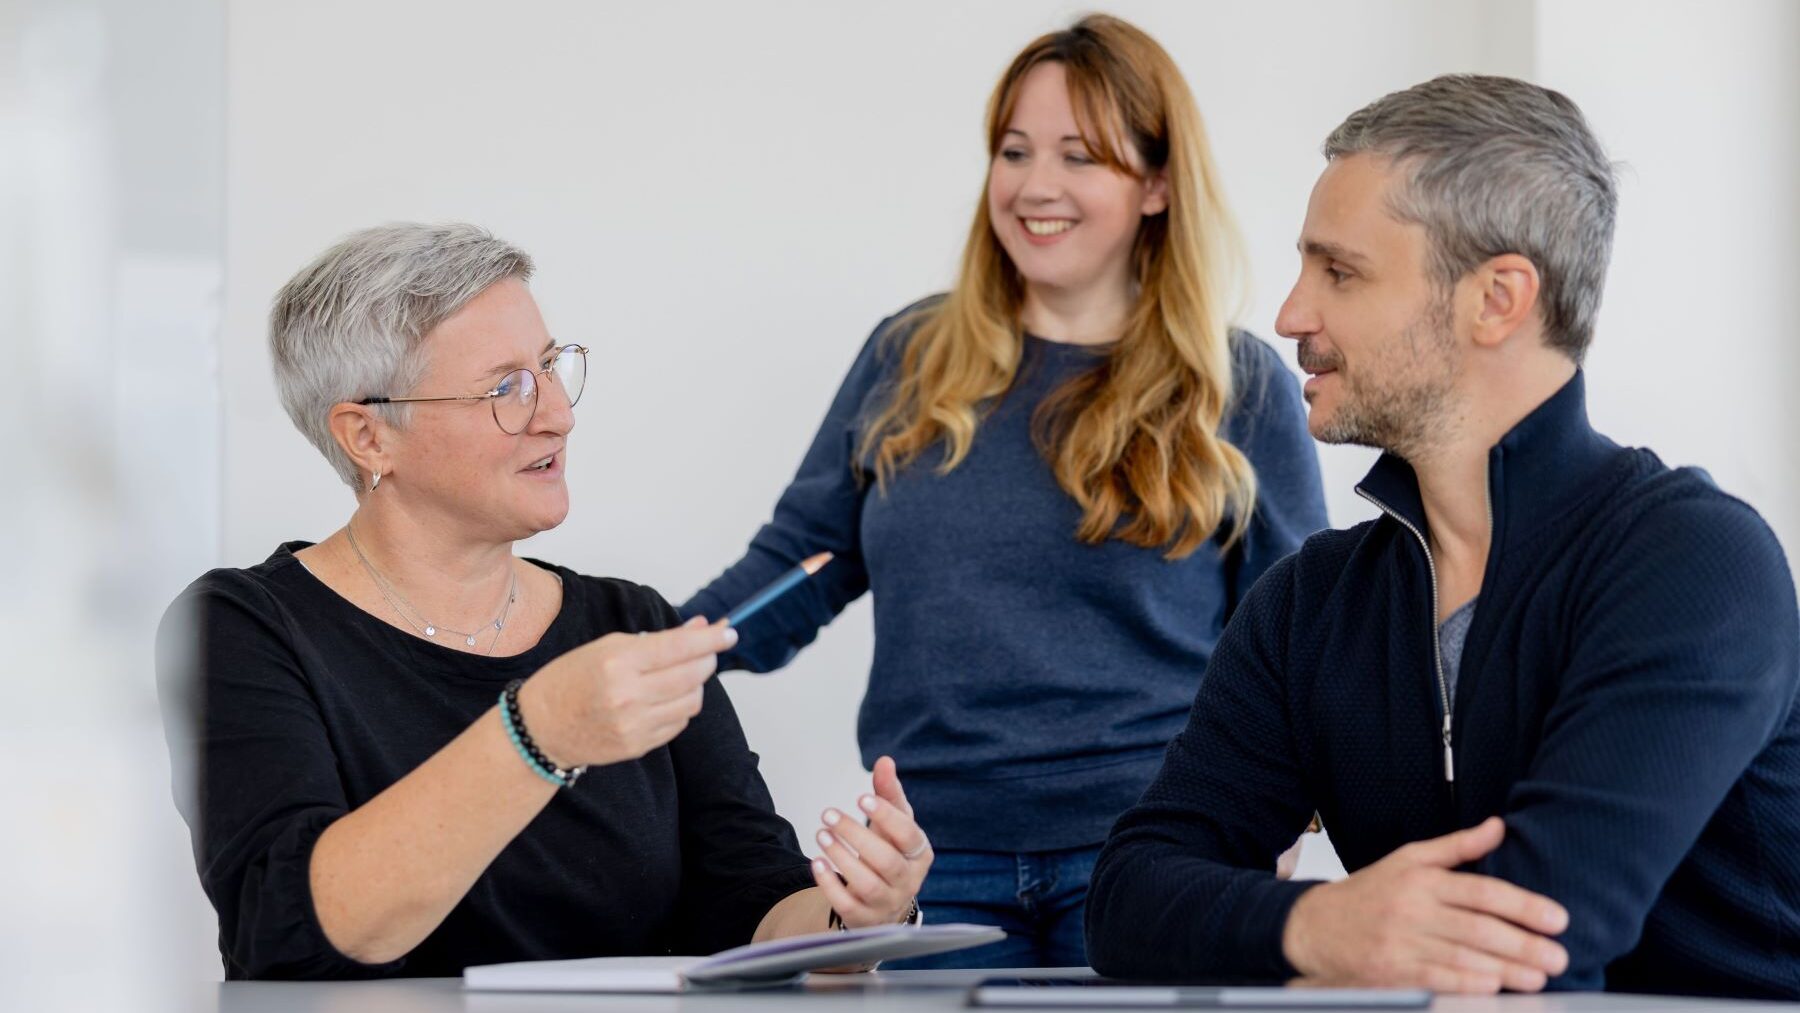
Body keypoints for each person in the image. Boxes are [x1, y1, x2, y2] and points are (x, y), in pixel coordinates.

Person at [1084, 74, 1800, 998]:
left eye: (1339, 271)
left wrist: (1293, 942)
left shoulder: (1694, 565)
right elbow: (1130, 895)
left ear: (1498, 298)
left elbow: (1534, 935)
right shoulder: (1312, 603)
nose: (1291, 316)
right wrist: (1315, 922)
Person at [682, 15, 1326, 968]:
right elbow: (801, 564)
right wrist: (650, 656)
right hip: (929, 867)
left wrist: (1281, 816)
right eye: (1014, 151)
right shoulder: (909, 356)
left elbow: (1300, 640)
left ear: (1155, 184)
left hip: (1153, 854)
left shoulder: (1237, 384)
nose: (1035, 186)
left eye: (1080, 155)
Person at [155, 223, 932, 980]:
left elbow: (750, 897)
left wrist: (855, 920)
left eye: (552, 366)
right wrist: (537, 731)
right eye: (506, 388)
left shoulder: (631, 623)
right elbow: (284, 925)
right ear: (368, 437)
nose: (557, 412)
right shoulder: (244, 628)